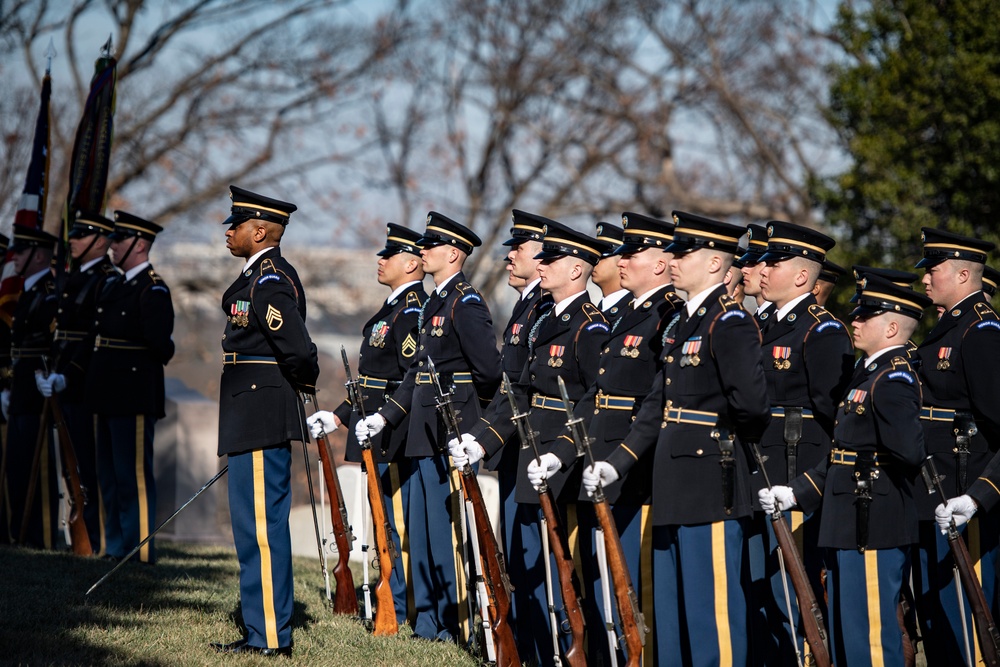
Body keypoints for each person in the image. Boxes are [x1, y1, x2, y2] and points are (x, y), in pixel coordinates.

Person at [585, 211, 770, 666]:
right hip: (672, 483)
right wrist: (618, 462)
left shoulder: (729, 322)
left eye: (683, 252)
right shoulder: (684, 322)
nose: (672, 259)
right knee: (670, 616)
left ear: (713, 264)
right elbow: (655, 405)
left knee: (713, 620)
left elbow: (751, 407)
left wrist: (714, 437)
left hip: (711, 483)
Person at [451, 219, 609, 667]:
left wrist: (561, 453)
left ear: (577, 270)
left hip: (563, 464)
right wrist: (482, 442)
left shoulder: (590, 328)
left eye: (551, 258)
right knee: (526, 571)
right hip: (527, 457)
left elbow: (594, 403)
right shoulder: (545, 321)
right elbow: (516, 393)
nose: (541, 263)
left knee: (564, 574)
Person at [760, 274, 930, 665]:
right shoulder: (867, 372)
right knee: (845, 631)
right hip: (850, 516)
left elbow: (909, 452)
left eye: (866, 316)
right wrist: (797, 491)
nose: (854, 320)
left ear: (891, 327)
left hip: (874, 519)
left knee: (869, 635)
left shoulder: (894, 378)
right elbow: (843, 452)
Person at [356, 212, 501, 643]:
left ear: (453, 253)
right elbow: (417, 371)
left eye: (431, 245)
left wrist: (474, 425)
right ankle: (427, 621)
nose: (423, 251)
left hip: (450, 428)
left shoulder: (465, 302)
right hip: (422, 427)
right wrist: (386, 416)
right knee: (421, 531)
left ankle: (453, 624)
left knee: (446, 531)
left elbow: (488, 372)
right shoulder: (435, 302)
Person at [563, 211, 684, 665]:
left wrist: (624, 456)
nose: (622, 260)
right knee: (610, 581)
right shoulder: (628, 313)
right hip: (608, 456)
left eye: (633, 253)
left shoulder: (667, 315)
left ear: (658, 263)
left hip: (641, 466)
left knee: (639, 590)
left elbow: (658, 400)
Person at [210, 186, 317, 657]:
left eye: (235, 225)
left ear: (259, 231)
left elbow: (299, 351)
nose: (228, 232)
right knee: (249, 528)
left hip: (260, 410)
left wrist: (289, 392)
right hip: (247, 411)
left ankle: (271, 636)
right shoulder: (255, 277)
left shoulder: (270, 280)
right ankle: (261, 628)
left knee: (262, 528)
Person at [309, 222, 426, 626]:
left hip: (392, 430)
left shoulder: (412, 311)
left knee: (391, 522)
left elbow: (409, 379)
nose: (380, 260)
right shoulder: (392, 308)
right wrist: (339, 415)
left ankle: (401, 605)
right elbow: (371, 383)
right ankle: (389, 599)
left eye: (389, 255)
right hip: (371, 424)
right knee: (381, 522)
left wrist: (380, 418)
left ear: (411, 263)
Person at [751, 221, 854, 663]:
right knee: (761, 595)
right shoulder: (758, 324)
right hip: (758, 471)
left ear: (800, 276)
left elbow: (837, 422)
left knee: (795, 595)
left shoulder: (822, 330)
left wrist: (812, 486)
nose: (763, 269)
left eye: (774, 262)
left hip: (796, 476)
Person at [908, 227, 1000, 665]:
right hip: (934, 494)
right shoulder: (949, 327)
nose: (925, 279)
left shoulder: (980, 331)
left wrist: (982, 495)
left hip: (966, 497)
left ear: (964, 275)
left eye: (934, 269)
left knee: (970, 629)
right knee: (939, 628)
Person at [84, 212, 173, 564]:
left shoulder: (152, 288)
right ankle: (114, 547)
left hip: (133, 393)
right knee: (107, 475)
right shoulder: (112, 285)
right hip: (105, 391)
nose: (111, 246)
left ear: (139, 244)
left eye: (118, 240)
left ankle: (139, 550)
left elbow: (160, 346)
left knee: (131, 476)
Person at [37, 211, 118, 552]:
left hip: (84, 385)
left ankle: (96, 539)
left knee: (88, 465)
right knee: (71, 468)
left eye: (81, 235)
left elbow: (93, 338)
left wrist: (67, 374)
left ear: (100, 241)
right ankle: (80, 539)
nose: (72, 240)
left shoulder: (105, 280)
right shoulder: (71, 279)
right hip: (61, 381)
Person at [4, 226, 58, 549]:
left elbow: (52, 343)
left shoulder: (49, 293)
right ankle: (21, 534)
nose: (15, 259)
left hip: (39, 388)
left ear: (38, 255)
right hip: (21, 387)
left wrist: (46, 373)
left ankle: (44, 536)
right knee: (19, 464)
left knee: (39, 468)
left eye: (21, 253)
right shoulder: (28, 292)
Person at [592, 221, 629, 320]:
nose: (594, 262)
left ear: (621, 263)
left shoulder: (630, 310)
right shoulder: (597, 309)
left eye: (601, 258)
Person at [739, 223, 775, 325]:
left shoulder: (777, 319)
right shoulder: (757, 316)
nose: (744, 269)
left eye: (753, 263)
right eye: (746, 263)